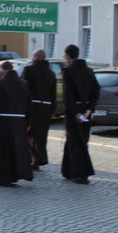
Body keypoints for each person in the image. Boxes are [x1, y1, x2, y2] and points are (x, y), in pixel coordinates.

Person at [0, 61, 34, 187]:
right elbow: (29, 105)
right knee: (17, 148)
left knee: (4, 149)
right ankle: (16, 174)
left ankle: (4, 177)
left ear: (2, 71)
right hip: (20, 121)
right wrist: (28, 122)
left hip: (4, 121)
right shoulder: (24, 84)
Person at [61, 44, 100, 184]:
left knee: (75, 142)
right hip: (87, 112)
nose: (65, 58)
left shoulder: (68, 71)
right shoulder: (89, 71)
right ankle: (68, 169)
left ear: (69, 56)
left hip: (74, 112)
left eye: (65, 56)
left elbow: (68, 95)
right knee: (82, 140)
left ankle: (80, 173)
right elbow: (96, 91)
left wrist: (76, 113)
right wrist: (89, 110)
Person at [22, 49, 57, 170]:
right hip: (46, 107)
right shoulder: (51, 73)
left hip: (32, 106)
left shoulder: (29, 70)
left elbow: (24, 89)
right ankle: (39, 159)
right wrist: (52, 109)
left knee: (29, 133)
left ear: (36, 57)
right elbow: (53, 93)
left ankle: (30, 158)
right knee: (42, 135)